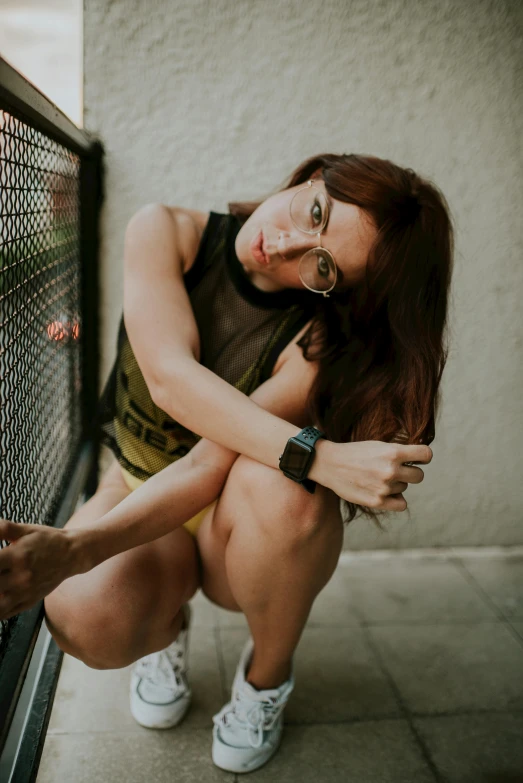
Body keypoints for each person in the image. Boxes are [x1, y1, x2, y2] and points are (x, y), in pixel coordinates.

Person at [0, 153, 453, 774]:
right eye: (313, 212)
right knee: (84, 616)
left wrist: (77, 546)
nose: (287, 243)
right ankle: (163, 621)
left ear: (339, 291)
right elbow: (171, 381)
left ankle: (267, 679)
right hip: (137, 480)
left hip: (228, 525)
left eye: (322, 265)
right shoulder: (164, 231)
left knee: (292, 491)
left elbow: (207, 465)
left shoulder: (312, 340)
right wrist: (319, 455)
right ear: (310, 177)